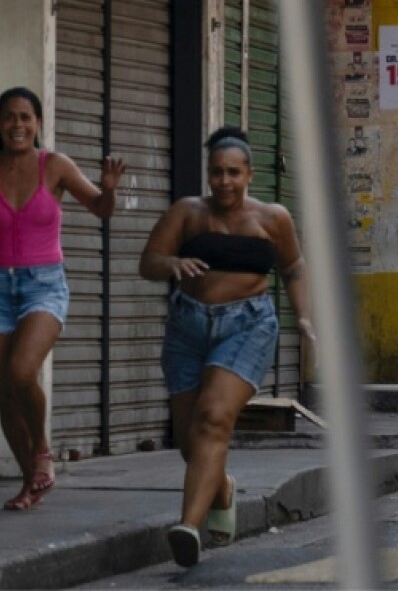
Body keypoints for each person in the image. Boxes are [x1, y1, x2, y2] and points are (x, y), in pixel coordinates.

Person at [139, 127, 312, 568]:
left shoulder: (273, 218)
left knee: (213, 418)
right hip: (187, 327)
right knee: (188, 440)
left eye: (233, 172)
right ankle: (222, 489)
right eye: (216, 172)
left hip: (248, 326)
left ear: (249, 174)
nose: (224, 182)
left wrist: (304, 317)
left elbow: (293, 267)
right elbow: (148, 262)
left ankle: (187, 527)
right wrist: (173, 263)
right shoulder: (187, 212)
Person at [0, 86, 126, 512]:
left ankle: (42, 452)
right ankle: (29, 482)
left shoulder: (56, 166)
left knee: (21, 371)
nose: (17, 124)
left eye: (25, 116)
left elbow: (101, 208)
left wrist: (108, 190)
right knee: (3, 394)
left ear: (37, 123)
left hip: (44, 284)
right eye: (9, 117)